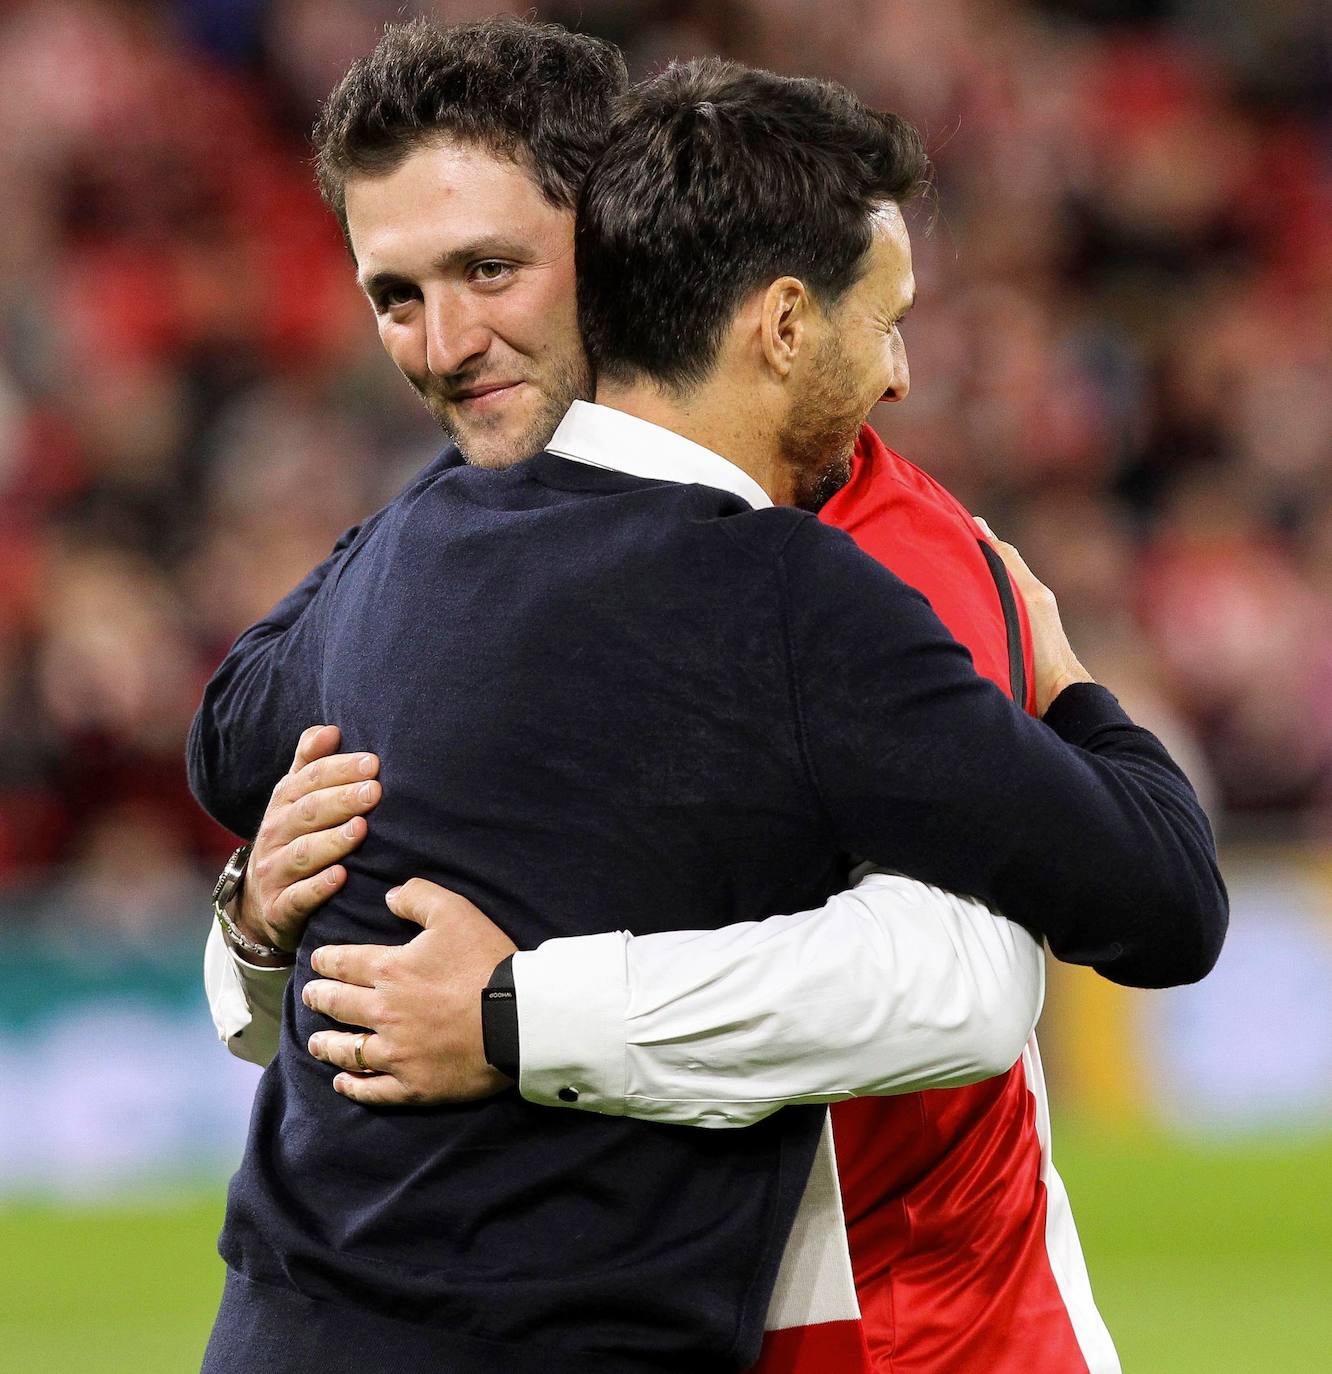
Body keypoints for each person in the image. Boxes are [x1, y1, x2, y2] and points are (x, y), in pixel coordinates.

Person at [193, 22, 1225, 1374]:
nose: (445, 345)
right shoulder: (445, 528)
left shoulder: (856, 551)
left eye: (491, 270)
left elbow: (964, 983)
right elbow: (239, 750)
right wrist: (257, 921)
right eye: (397, 294)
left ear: (617, 238)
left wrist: (515, 1013)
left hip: (894, 1325)